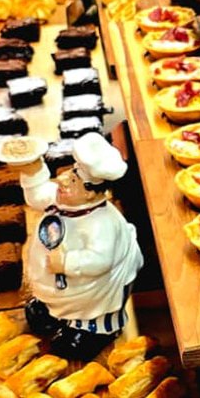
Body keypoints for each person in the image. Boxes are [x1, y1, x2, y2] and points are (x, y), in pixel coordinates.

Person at [18, 132, 144, 359]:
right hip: (58, 285)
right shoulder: (62, 198)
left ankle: (90, 331)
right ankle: (53, 311)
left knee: (91, 311)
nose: (63, 179)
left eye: (74, 180)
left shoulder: (102, 223)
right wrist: (32, 170)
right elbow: (38, 196)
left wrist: (67, 262)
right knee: (50, 303)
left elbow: (101, 259)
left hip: (90, 291)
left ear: (89, 193)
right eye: (70, 172)